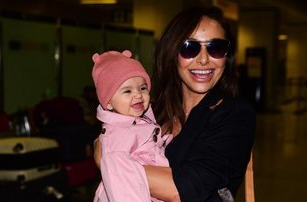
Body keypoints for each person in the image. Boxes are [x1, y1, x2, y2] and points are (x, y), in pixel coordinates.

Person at [94, 5, 256, 202]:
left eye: (216, 48)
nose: (204, 59)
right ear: (172, 53)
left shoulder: (234, 114)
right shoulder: (151, 110)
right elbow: (109, 136)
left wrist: (112, 164)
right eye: (190, 47)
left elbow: (183, 189)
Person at [91, 50, 172, 202]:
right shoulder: (116, 137)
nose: (138, 94)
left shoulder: (137, 123)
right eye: (127, 91)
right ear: (108, 102)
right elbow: (123, 191)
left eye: (142, 88)